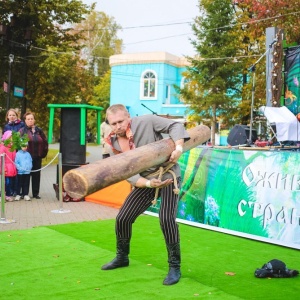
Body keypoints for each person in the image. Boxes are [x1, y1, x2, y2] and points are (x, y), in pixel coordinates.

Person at [101, 104, 190, 286]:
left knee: (166, 219)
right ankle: (122, 257)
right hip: (145, 180)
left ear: (128, 118)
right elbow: (125, 171)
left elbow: (175, 126)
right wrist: (147, 183)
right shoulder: (113, 143)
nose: (117, 126)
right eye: (113, 123)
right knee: (123, 218)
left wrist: (178, 148)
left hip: (168, 175)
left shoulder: (147, 121)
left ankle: (175, 266)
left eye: (121, 121)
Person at [19, 112, 48, 199]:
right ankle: (25, 193)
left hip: (37, 156)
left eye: (32, 119)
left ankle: (36, 193)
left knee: (36, 175)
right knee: (26, 175)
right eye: (28, 119)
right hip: (26, 157)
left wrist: (43, 153)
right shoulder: (22, 131)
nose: (30, 120)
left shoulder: (39, 130)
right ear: (25, 120)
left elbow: (45, 141)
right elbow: (19, 144)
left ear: (34, 120)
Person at [3, 108, 25, 196]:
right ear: (7, 116)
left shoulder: (21, 124)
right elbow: (4, 137)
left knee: (18, 171)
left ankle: (18, 191)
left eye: (13, 115)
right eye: (10, 115)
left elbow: (23, 136)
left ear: (16, 116)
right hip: (9, 151)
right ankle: (9, 190)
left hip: (18, 149)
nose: (11, 117)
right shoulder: (6, 126)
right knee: (10, 172)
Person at [0, 130, 17, 202]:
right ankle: (2, 195)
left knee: (10, 183)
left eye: (12, 138)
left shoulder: (13, 148)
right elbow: (1, 159)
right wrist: (3, 168)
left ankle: (8, 195)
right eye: (10, 138)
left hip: (12, 168)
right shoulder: (3, 148)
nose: (11, 140)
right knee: (5, 183)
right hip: (5, 168)